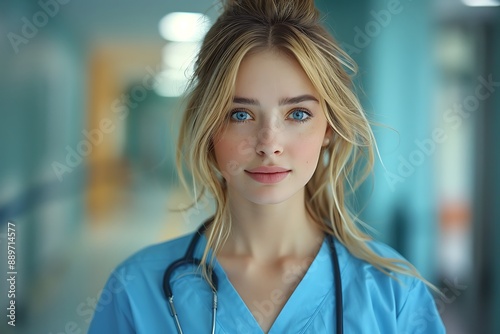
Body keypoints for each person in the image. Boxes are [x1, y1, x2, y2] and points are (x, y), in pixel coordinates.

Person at [88, 0, 445, 333]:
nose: (268, 144)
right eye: (240, 114)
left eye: (298, 114)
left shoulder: (394, 294)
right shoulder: (135, 289)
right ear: (209, 127)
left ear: (329, 130)